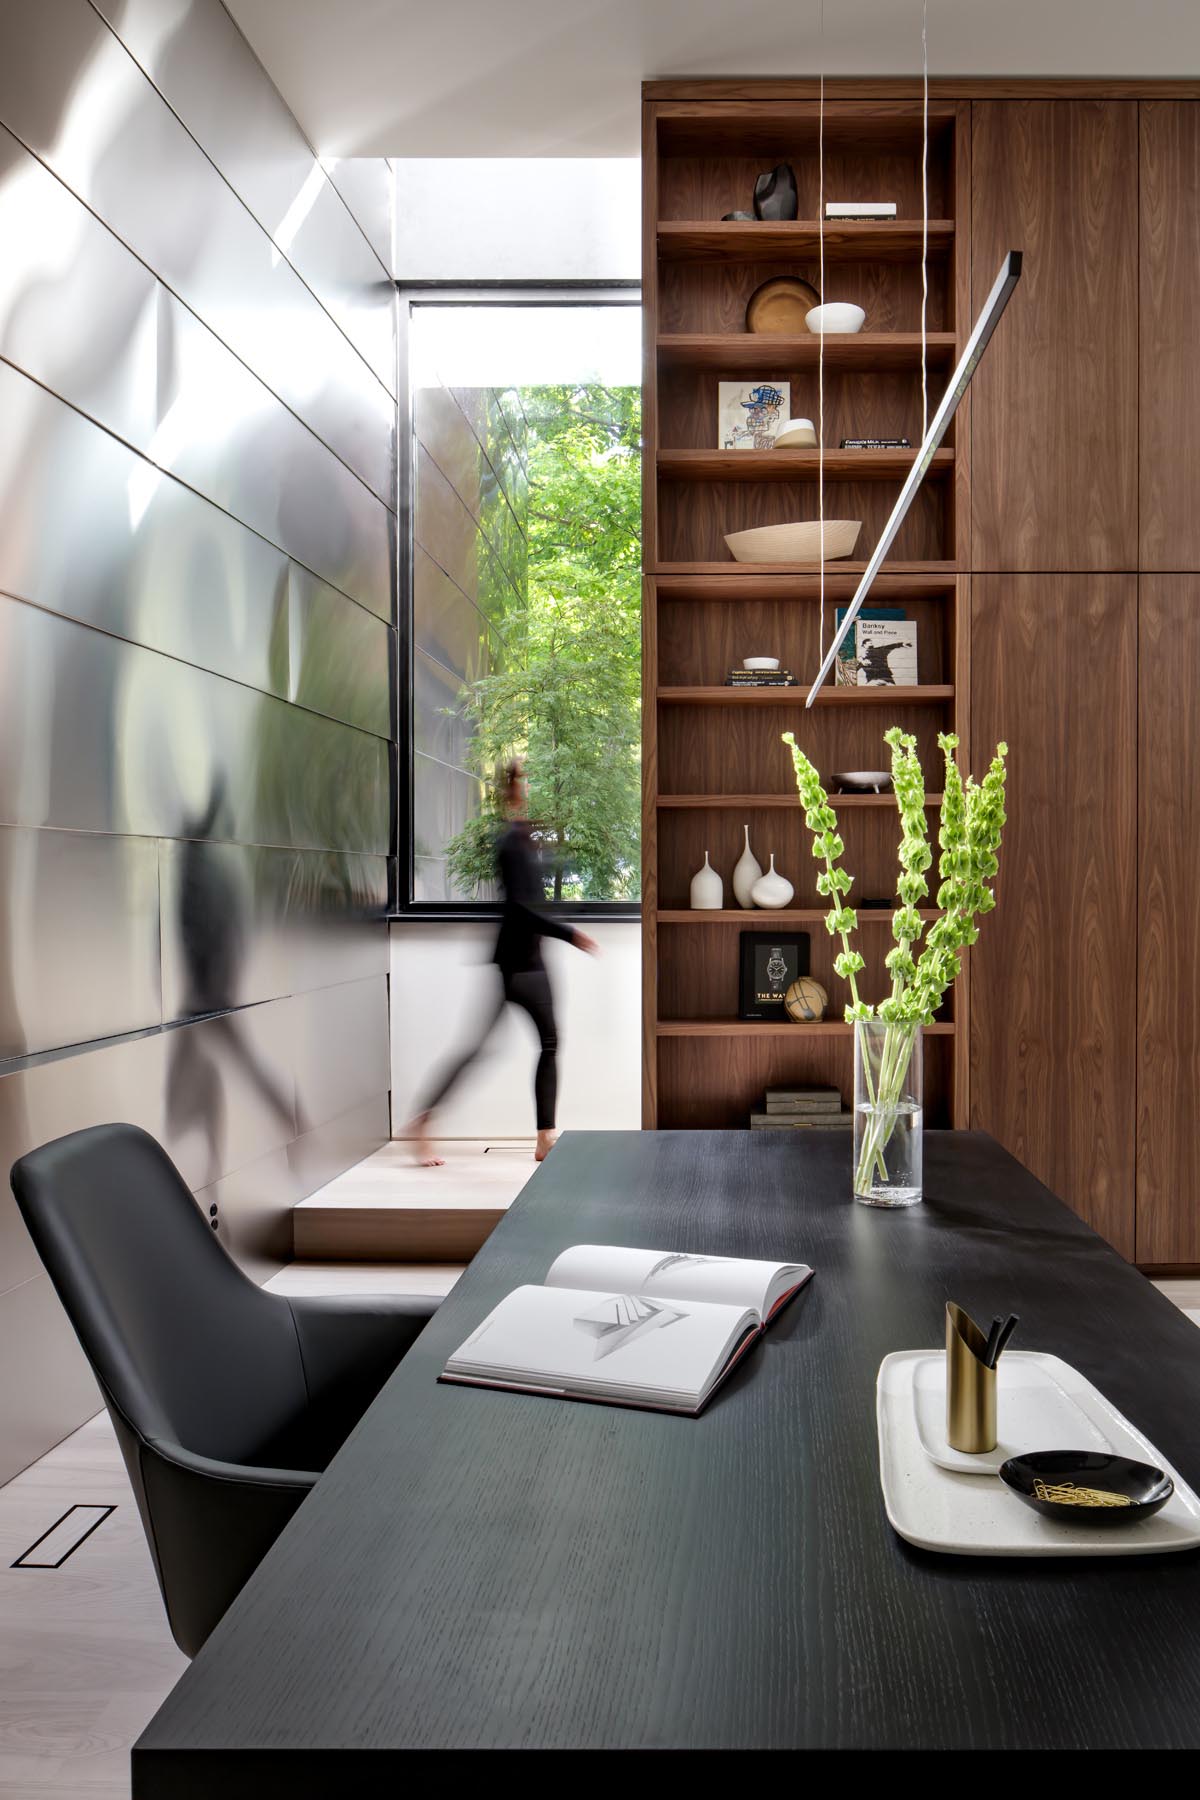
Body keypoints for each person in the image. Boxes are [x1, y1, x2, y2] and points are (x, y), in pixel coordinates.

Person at [406, 761, 598, 1165]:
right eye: (521, 785)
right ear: (510, 792)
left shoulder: (527, 838)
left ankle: (545, 1136)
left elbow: (536, 901)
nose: (526, 792)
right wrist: (569, 933)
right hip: (515, 963)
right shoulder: (510, 841)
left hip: (532, 958)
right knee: (484, 1048)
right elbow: (519, 908)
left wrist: (563, 924)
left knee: (547, 1042)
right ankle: (423, 1123)